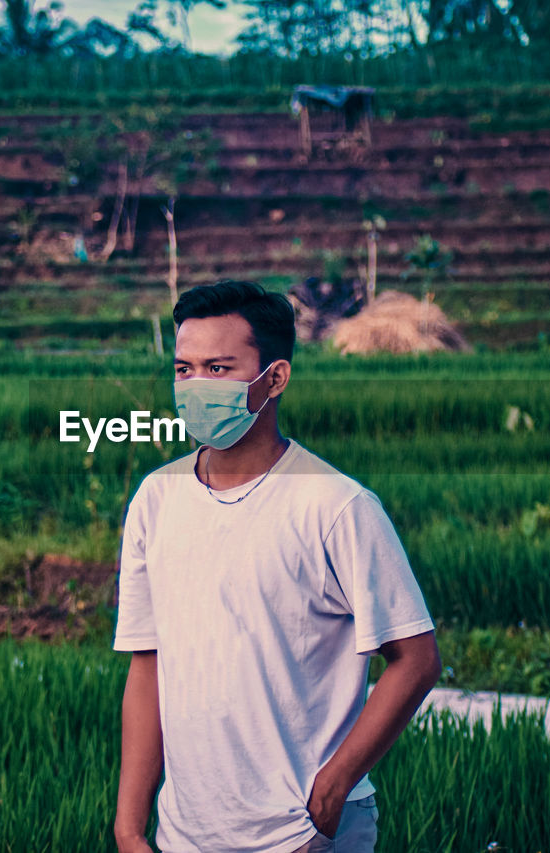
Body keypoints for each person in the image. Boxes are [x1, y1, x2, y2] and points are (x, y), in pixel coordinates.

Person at [112, 280, 442, 853]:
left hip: (300, 833)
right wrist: (129, 827)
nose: (194, 387)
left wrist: (333, 788)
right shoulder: (155, 499)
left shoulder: (335, 506)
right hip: (185, 834)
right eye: (183, 370)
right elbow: (148, 667)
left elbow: (416, 659)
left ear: (275, 378)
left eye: (218, 369)